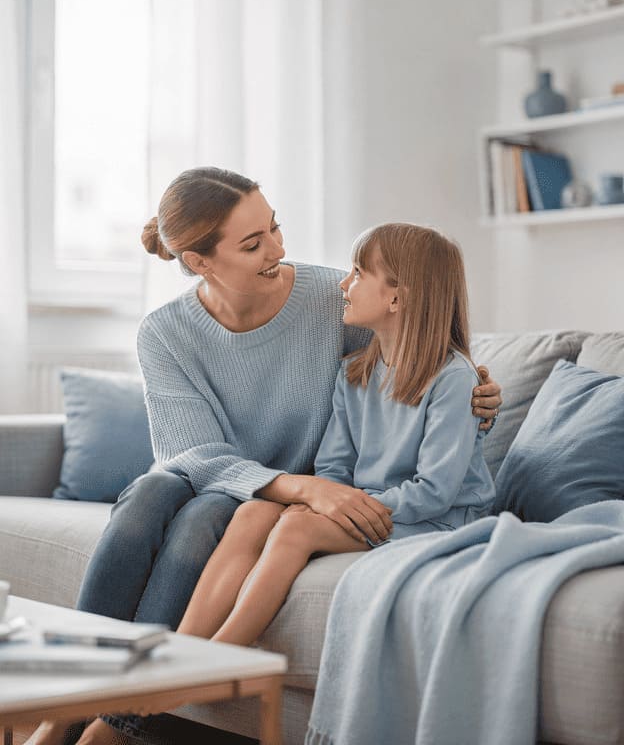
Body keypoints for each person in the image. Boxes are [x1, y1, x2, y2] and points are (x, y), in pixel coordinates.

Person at [27, 168, 501, 745]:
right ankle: (60, 712)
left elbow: (422, 354)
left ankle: (125, 716)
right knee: (153, 491)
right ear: (201, 262)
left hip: (279, 501)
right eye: (253, 243)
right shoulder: (165, 331)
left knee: (208, 517)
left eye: (274, 228)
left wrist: (482, 395)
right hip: (239, 483)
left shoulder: (334, 302)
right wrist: (305, 489)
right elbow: (189, 455)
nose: (278, 249)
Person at [176, 222, 496, 647]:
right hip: (371, 510)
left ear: (397, 297)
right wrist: (328, 499)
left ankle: (218, 657)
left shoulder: (453, 379)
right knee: (254, 512)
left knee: (296, 528)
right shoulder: (354, 371)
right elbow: (333, 465)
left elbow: (435, 492)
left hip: (440, 520)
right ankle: (179, 653)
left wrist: (344, 509)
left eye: (359, 273)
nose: (344, 283)